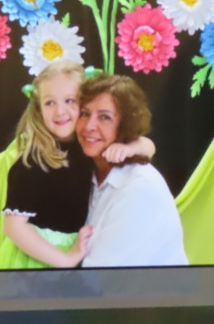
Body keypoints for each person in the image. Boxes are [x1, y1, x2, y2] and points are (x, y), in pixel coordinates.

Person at [0, 61, 155, 269]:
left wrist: (130, 148)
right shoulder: (33, 162)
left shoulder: (89, 144)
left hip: (75, 249)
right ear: (38, 108)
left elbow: (149, 147)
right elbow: (14, 227)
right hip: (41, 257)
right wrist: (65, 260)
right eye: (50, 103)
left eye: (70, 100)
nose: (60, 111)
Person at [76, 73, 188, 267]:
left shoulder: (140, 188)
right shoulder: (88, 171)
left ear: (126, 125)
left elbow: (102, 276)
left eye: (105, 117)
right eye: (85, 114)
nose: (89, 126)